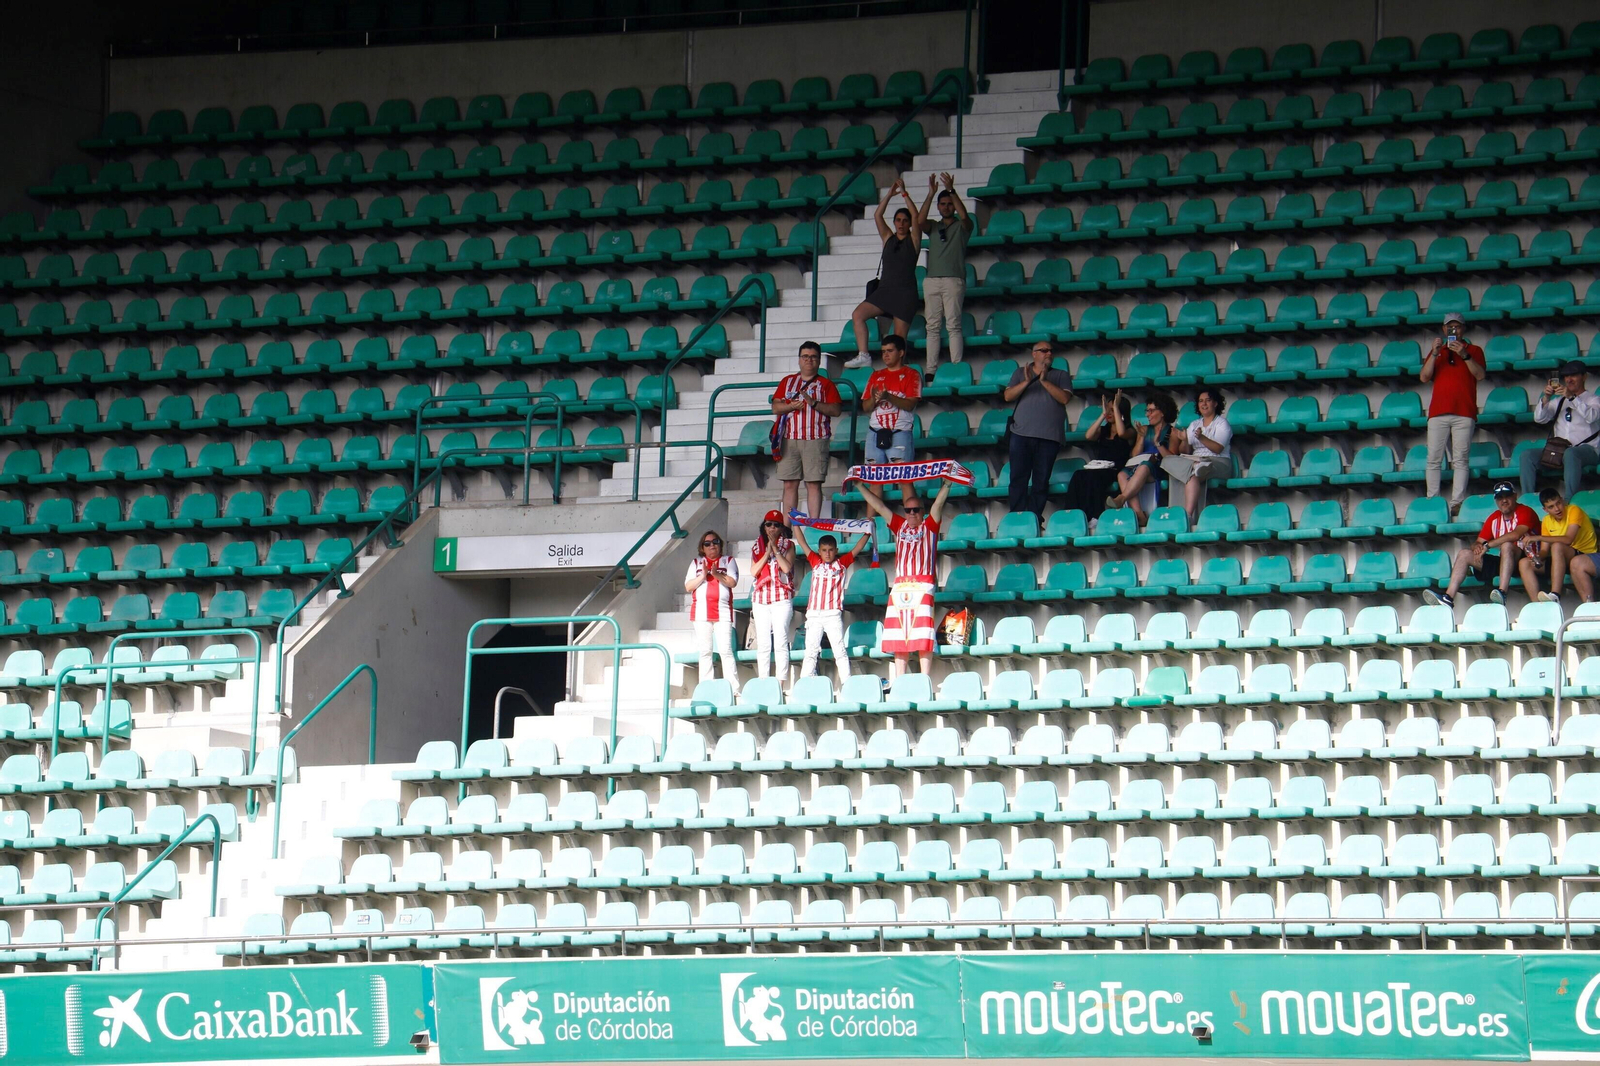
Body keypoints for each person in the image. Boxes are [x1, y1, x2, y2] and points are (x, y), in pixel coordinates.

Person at [859, 478, 953, 678]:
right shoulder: (899, 525)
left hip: (922, 584)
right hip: (901, 585)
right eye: (908, 510)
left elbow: (937, 505)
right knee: (898, 634)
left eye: (916, 510)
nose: (911, 514)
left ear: (922, 512)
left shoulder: (930, 525)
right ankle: (900, 678)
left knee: (923, 632)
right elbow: (879, 505)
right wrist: (859, 487)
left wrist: (946, 485)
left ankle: (925, 677)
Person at [845, 179, 922, 370]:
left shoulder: (913, 240)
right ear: (894, 222)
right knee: (858, 315)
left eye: (905, 221)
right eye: (898, 220)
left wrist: (905, 194)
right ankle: (864, 354)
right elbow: (878, 215)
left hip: (905, 293)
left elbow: (916, 215)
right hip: (885, 291)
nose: (902, 224)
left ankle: (899, 373)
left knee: (898, 339)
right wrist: (889, 195)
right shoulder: (888, 237)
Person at [1424, 481, 1537, 609]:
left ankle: (1502, 592)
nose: (1504, 501)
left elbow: (1515, 535)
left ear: (1515, 496)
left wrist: (1487, 546)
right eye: (1500, 498)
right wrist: (1477, 547)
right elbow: (1479, 541)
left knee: (1507, 545)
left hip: (1527, 561)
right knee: (1464, 554)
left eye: (1507, 496)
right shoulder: (1494, 518)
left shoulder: (1525, 511)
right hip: (1505, 562)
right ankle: (1448, 597)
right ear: (1496, 500)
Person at [1419, 312, 1485, 513]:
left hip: (1463, 411)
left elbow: (1480, 375)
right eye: (1449, 327)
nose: (1453, 330)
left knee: (1460, 459)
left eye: (1456, 327)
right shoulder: (1437, 352)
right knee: (1433, 458)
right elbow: (1424, 377)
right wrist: (1435, 353)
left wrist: (1464, 354)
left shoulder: (1474, 350)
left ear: (1463, 329)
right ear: (1443, 329)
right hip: (1438, 412)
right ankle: (1433, 500)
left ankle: (1457, 501)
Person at [1002, 340, 1074, 520]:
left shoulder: (1060, 375)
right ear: (1034, 354)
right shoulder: (1020, 372)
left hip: (1049, 437)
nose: (1048, 353)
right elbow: (1008, 396)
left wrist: (1043, 381)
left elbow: (1065, 398)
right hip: (1020, 434)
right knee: (1018, 478)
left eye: (1050, 351)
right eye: (1043, 351)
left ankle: (1034, 518)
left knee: (1041, 482)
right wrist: (1026, 382)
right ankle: (1017, 517)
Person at [771, 341, 842, 519]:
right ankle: (787, 527)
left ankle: (814, 523)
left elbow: (836, 410)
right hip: (789, 438)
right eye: (805, 356)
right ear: (799, 360)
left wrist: (814, 403)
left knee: (813, 484)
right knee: (789, 484)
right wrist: (790, 406)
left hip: (815, 438)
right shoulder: (787, 382)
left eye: (813, 357)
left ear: (818, 361)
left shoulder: (826, 384)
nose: (809, 360)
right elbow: (775, 407)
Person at [793, 525, 870, 681]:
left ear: (836, 550)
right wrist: (795, 524)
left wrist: (867, 532)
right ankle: (805, 682)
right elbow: (802, 542)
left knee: (839, 650)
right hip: (814, 614)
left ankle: (846, 682)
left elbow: (858, 548)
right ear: (819, 551)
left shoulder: (842, 564)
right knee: (811, 651)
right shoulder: (815, 561)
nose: (827, 553)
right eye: (824, 550)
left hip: (832, 614)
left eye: (830, 550)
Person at [1522, 359, 1600, 500]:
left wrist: (1572, 398)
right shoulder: (1559, 401)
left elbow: (1591, 417)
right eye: (1566, 376)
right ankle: (1528, 500)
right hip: (1558, 452)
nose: (1569, 379)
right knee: (1527, 456)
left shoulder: (1594, 399)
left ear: (1584, 377)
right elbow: (1539, 418)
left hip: (1588, 450)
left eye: (1574, 375)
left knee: (1571, 453)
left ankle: (1570, 500)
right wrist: (1546, 397)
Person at [918, 172, 972, 368]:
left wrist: (951, 190)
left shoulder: (962, 226)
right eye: (943, 204)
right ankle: (931, 369)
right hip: (932, 280)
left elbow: (965, 216)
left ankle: (956, 366)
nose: (947, 207)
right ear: (938, 206)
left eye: (950, 204)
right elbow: (919, 221)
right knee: (932, 327)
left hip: (953, 280)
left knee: (953, 325)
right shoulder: (933, 226)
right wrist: (931, 193)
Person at [861, 334, 922, 502]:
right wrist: (874, 399)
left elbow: (910, 404)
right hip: (874, 431)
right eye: (883, 352)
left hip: (900, 431)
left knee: (905, 480)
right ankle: (869, 525)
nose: (885, 355)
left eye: (890, 351)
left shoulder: (911, 374)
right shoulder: (875, 376)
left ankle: (912, 524)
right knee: (874, 480)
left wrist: (888, 397)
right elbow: (865, 407)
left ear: (901, 352)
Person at [1162, 387, 1232, 521]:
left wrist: (1201, 438)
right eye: (1201, 401)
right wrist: (1185, 440)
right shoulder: (1194, 424)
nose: (1204, 404)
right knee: (1168, 461)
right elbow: (1185, 451)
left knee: (1189, 472)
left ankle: (1187, 515)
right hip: (1195, 460)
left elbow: (1217, 449)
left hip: (1219, 462)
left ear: (1215, 403)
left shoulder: (1222, 423)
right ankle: (1186, 516)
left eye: (1208, 400)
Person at [1108, 392, 1179, 523]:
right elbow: (1135, 455)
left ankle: (1122, 498)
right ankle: (1139, 514)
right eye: (1147, 411)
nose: (1147, 414)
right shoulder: (1145, 429)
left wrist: (1158, 443)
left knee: (1145, 466)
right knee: (1121, 475)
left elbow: (1172, 459)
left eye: (1151, 411)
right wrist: (1141, 438)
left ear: (1162, 412)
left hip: (1159, 467)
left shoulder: (1172, 432)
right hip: (1139, 464)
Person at [1062, 391, 1135, 521]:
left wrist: (1116, 409)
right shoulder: (1104, 430)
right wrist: (1102, 415)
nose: (1110, 413)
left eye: (1112, 410)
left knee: (1093, 478)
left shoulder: (1130, 430)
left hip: (1115, 469)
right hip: (1098, 467)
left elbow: (1122, 432)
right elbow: (1088, 435)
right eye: (1108, 409)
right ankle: (1072, 515)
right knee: (1078, 475)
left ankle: (1095, 516)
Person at [1523, 487, 1598, 607]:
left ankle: (1555, 595)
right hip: (1563, 560)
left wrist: (1539, 537)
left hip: (1584, 555)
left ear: (1562, 500)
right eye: (1551, 507)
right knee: (1524, 563)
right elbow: (1544, 550)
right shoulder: (1547, 521)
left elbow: (1568, 539)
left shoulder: (1574, 510)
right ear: (1545, 509)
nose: (1557, 509)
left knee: (1557, 546)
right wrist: (1537, 557)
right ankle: (1537, 607)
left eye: (1558, 503)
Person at [684, 529, 739, 689]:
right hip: (701, 612)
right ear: (703, 547)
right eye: (707, 543)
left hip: (722, 612)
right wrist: (703, 575)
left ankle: (733, 688)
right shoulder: (696, 563)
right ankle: (706, 686)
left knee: (726, 650)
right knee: (705, 651)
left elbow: (732, 582)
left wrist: (715, 574)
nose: (712, 546)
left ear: (720, 545)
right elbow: (688, 586)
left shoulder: (728, 561)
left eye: (715, 542)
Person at [748, 511, 795, 680]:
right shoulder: (757, 546)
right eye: (769, 524)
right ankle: (764, 680)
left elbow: (786, 568)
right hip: (761, 599)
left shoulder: (789, 545)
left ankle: (781, 682)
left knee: (781, 641)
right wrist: (767, 552)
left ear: (782, 528)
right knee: (764, 643)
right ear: (764, 526)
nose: (772, 528)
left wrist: (775, 549)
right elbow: (754, 571)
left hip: (781, 598)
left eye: (776, 524)